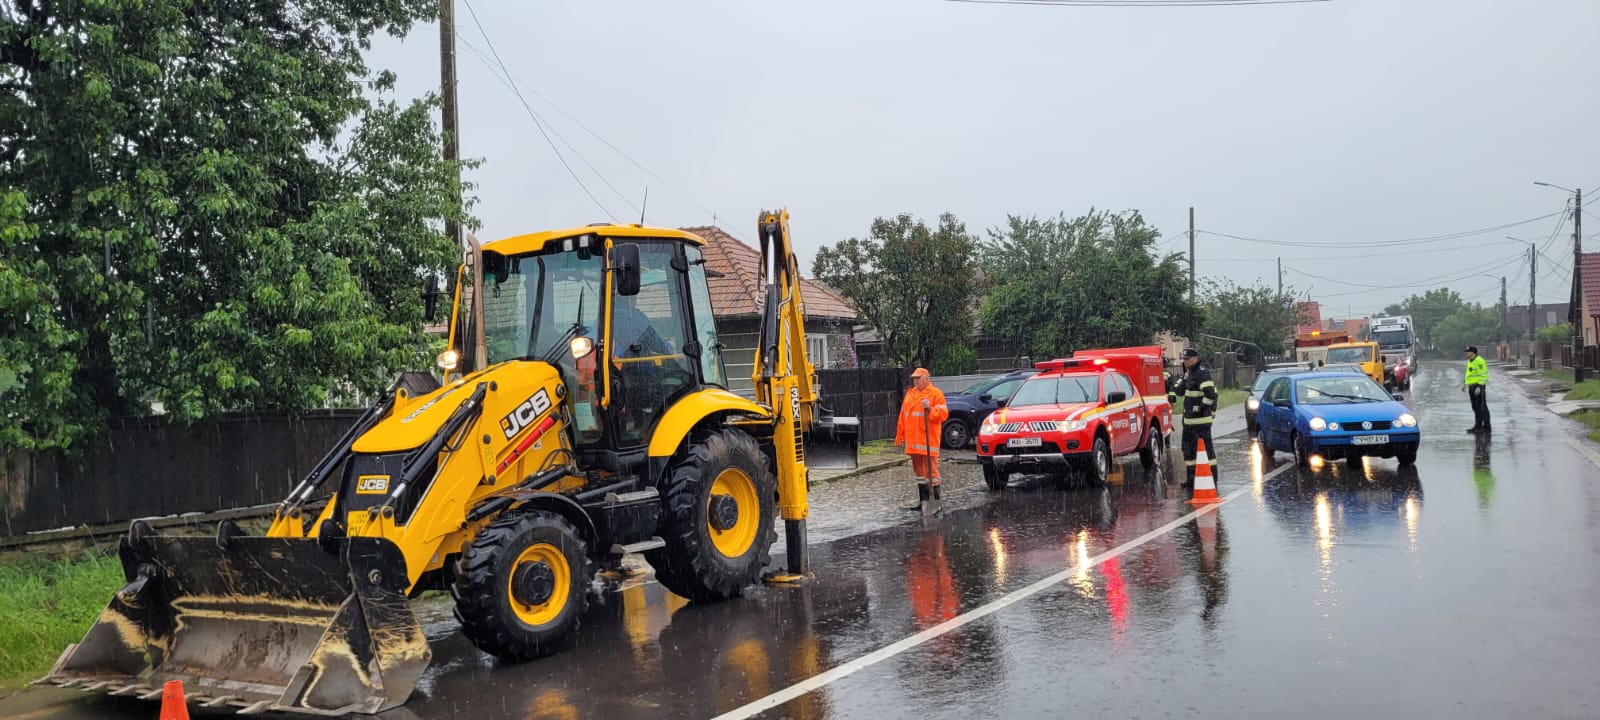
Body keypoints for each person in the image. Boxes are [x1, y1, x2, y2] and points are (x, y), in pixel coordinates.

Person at [895, 367, 948, 509]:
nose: (915, 381)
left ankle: (936, 502)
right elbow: (903, 416)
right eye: (914, 378)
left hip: (928, 441)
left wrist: (930, 409)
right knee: (919, 472)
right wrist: (900, 436)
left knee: (932, 473)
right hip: (913, 443)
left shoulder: (936, 394)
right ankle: (923, 502)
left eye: (918, 378)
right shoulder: (910, 394)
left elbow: (943, 415)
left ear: (926, 378)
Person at [1179, 348, 1219, 486]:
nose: (1185, 362)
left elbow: (1210, 394)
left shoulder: (1202, 373)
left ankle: (1212, 479)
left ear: (1195, 358)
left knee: (1207, 452)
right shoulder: (1189, 374)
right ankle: (1191, 480)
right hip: (1189, 422)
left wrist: (1201, 408)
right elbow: (1179, 391)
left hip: (1201, 423)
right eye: (1184, 359)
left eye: (1187, 359)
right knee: (1188, 450)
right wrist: (1183, 378)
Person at [1464, 345, 1490, 434]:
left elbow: (1483, 374)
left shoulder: (1480, 361)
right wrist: (1465, 384)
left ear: (1472, 353)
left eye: (1467, 352)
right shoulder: (1470, 361)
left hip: (1478, 387)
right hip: (1471, 386)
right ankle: (1478, 426)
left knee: (1482, 408)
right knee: (1475, 407)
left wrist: (1480, 386)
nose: (1466, 353)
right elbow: (1469, 373)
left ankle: (1486, 428)